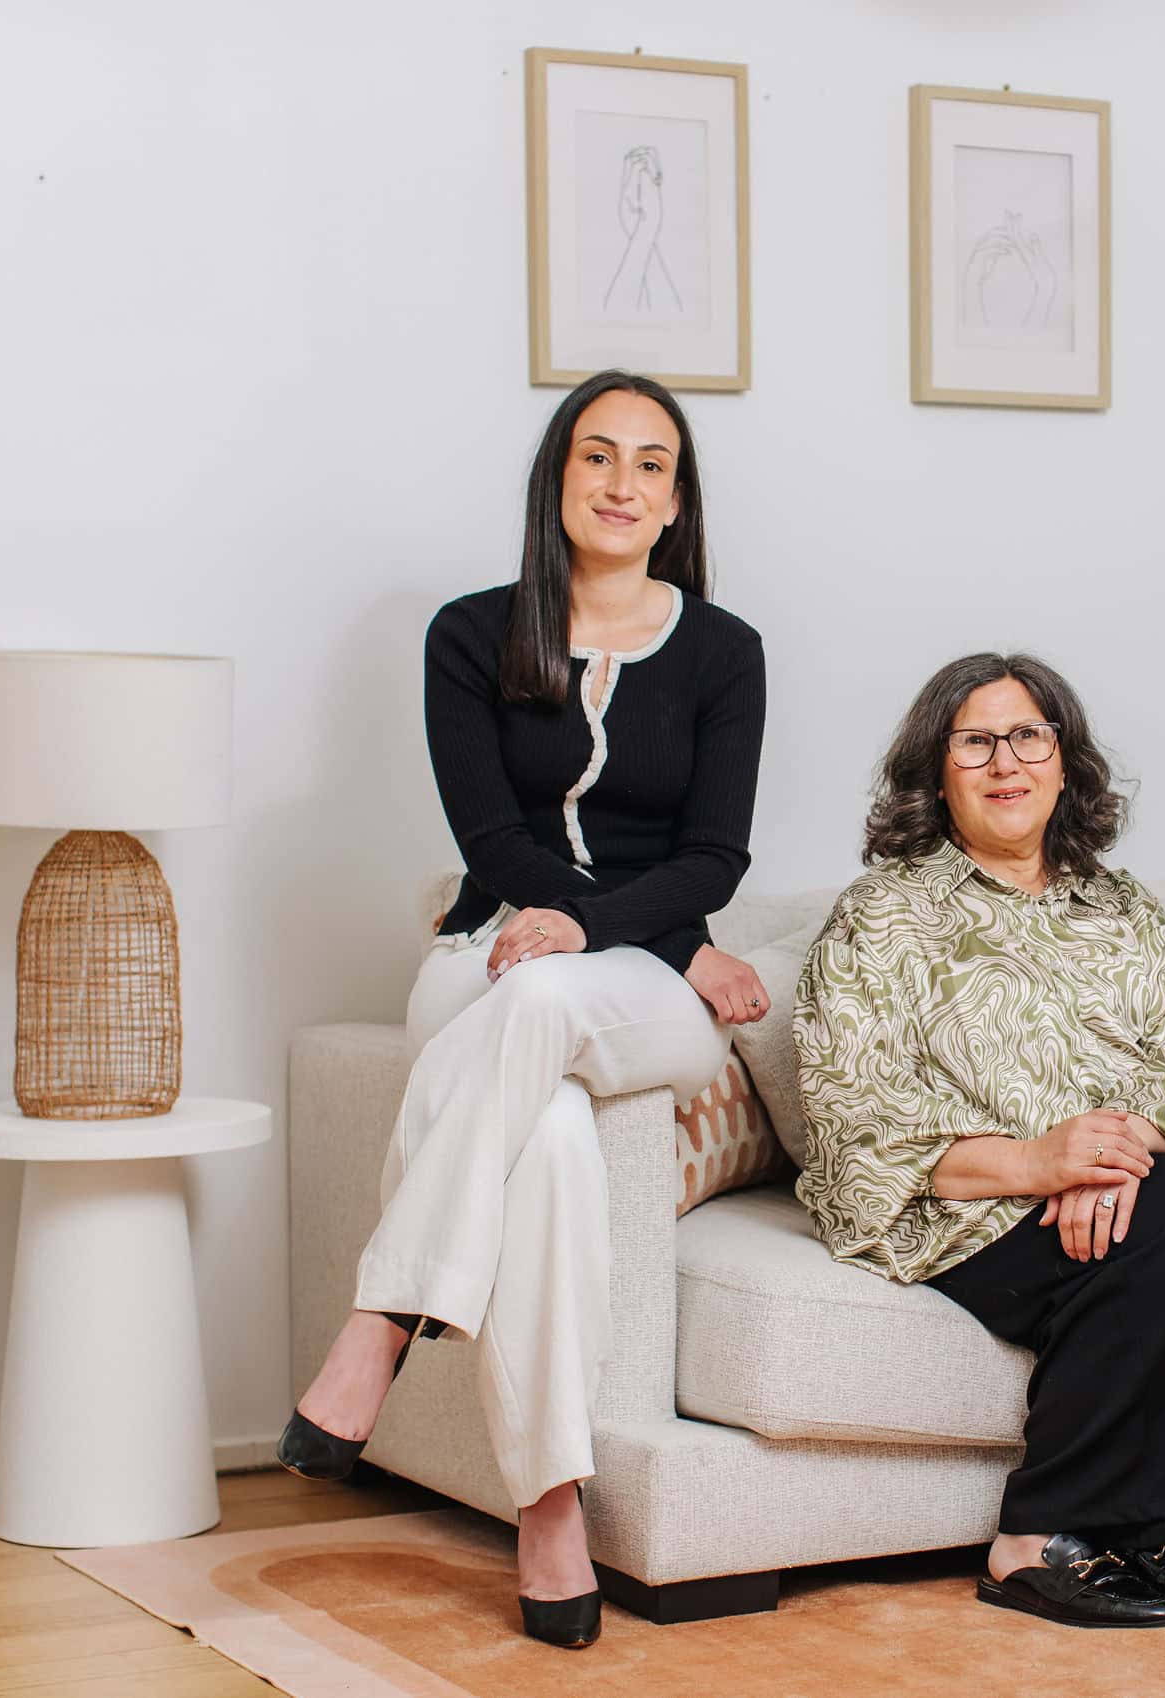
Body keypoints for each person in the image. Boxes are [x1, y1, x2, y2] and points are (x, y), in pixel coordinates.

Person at [276, 371, 769, 1649]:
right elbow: (488, 838)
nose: (621, 484)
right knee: (543, 1140)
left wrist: (612, 928)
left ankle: (382, 1319)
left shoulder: (725, 654)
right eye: (597, 457)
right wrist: (558, 918)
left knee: (550, 993)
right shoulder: (471, 633)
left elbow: (714, 857)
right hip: (484, 954)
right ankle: (550, 1507)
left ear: (676, 499)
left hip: (643, 983)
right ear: (556, 481)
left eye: (650, 464)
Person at [795, 653, 1165, 1630]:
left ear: (1065, 763)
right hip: (963, 1202)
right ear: (936, 771)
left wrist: (1118, 1148)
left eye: (1028, 737)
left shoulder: (1120, 906)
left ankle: (1160, 1527)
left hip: (1125, 1174)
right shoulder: (883, 915)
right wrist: (1033, 1163)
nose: (1004, 761)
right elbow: (855, 1110)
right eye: (975, 741)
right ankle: (1033, 1538)